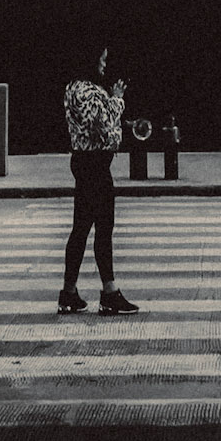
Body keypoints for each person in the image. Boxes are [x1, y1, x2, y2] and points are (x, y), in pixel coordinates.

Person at [58, 46, 139, 317]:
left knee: (81, 228)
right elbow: (102, 123)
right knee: (103, 228)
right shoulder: (84, 91)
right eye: (102, 60)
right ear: (91, 60)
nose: (105, 65)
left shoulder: (76, 88)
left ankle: (69, 293)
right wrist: (117, 99)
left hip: (88, 163)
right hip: (94, 165)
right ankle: (109, 293)